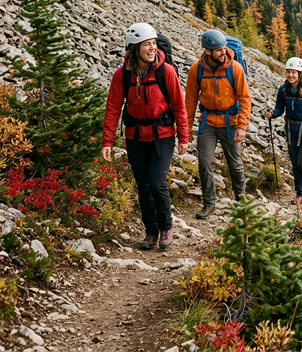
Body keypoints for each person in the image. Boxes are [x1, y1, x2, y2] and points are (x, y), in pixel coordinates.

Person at [102, 23, 188, 250]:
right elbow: (113, 108)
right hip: (135, 135)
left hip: (164, 135)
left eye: (153, 44)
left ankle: (166, 227)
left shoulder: (165, 71)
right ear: (134, 48)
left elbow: (179, 105)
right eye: (146, 45)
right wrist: (107, 141)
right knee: (143, 185)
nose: (152, 49)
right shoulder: (123, 74)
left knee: (157, 182)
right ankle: (150, 231)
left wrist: (184, 137)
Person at [185, 30, 251, 219]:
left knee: (235, 164)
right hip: (208, 123)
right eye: (219, 50)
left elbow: (245, 99)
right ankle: (209, 203)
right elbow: (189, 100)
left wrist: (242, 126)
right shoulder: (196, 70)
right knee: (205, 162)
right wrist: (187, 128)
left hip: (230, 123)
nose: (224, 53)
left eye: (224, 49)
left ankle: (241, 203)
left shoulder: (235, 68)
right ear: (207, 51)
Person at [265, 57, 302, 204]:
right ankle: (300, 194)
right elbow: (279, 108)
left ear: (299, 73)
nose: (290, 75)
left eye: (293, 72)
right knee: (295, 164)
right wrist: (272, 114)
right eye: (288, 72)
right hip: (291, 130)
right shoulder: (283, 90)